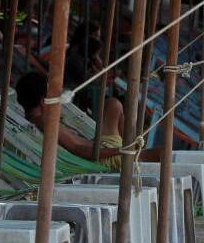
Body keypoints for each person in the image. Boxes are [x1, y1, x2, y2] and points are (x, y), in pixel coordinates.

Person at [16, 72, 160, 170]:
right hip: (100, 158)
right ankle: (134, 152)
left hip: (99, 147)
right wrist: (121, 150)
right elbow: (78, 149)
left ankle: (133, 147)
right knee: (162, 154)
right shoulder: (46, 121)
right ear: (43, 101)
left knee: (113, 104)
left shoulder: (38, 119)